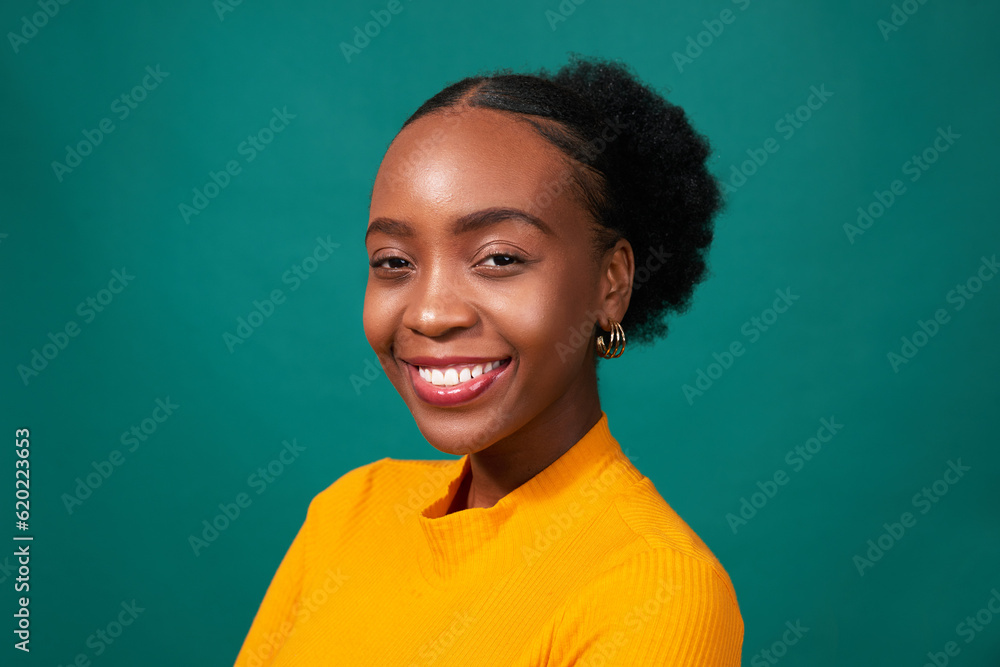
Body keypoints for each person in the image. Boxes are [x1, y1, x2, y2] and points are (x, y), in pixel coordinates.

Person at [235, 55, 743, 666]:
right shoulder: (348, 512)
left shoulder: (658, 588)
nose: (430, 313)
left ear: (612, 282)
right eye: (394, 261)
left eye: (499, 258)